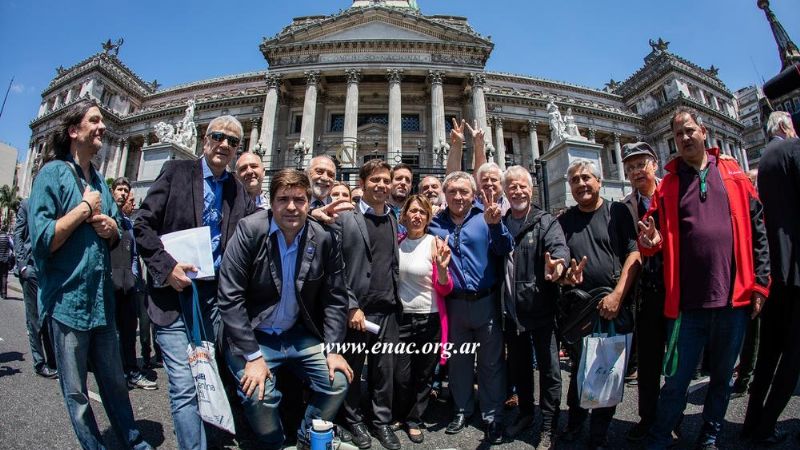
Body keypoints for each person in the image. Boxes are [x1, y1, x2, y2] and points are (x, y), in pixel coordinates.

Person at [639, 107, 770, 450]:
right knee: (676, 381)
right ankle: (660, 436)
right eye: (677, 134)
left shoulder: (734, 174)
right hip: (686, 305)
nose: (684, 137)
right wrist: (650, 242)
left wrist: (761, 283)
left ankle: (709, 435)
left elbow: (759, 231)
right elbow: (651, 237)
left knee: (723, 378)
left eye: (689, 130)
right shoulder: (668, 185)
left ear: (704, 131)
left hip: (733, 299)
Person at [28, 99, 152, 449]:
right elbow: (42, 240)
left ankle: (132, 439)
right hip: (67, 302)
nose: (103, 127)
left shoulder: (98, 178)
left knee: (115, 383)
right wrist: (84, 209)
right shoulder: (51, 174)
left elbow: (115, 230)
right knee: (77, 392)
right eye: (94, 121)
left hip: (101, 303)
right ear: (73, 130)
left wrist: (111, 227)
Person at [135, 114, 254, 450]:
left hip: (212, 301)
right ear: (205, 139)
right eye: (218, 136)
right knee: (184, 385)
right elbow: (142, 225)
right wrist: (166, 267)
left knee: (209, 374)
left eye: (233, 141)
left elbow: (257, 233)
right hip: (173, 297)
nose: (225, 144)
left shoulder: (238, 191)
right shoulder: (176, 172)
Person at [217, 168, 353, 449]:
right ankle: (274, 443)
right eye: (283, 199)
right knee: (259, 394)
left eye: (299, 199)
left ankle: (307, 437)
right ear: (272, 202)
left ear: (308, 202)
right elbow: (230, 297)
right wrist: (253, 356)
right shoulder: (250, 230)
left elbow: (335, 298)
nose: (292, 207)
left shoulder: (323, 237)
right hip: (252, 335)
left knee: (338, 381)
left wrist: (333, 350)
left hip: (295, 333)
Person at [557, 159, 640, 450]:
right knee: (580, 369)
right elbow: (561, 262)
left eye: (586, 178)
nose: (581, 184)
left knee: (608, 370)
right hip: (581, 309)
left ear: (599, 181)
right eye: (575, 180)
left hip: (613, 305)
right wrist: (565, 276)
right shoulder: (565, 220)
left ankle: (599, 435)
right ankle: (575, 423)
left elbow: (634, 254)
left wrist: (617, 295)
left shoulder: (618, 211)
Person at [428, 170, 514, 445]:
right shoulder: (435, 223)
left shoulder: (485, 216)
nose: (458, 196)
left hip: (486, 301)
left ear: (473, 194)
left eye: (464, 191)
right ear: (445, 194)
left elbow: (504, 248)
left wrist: (496, 226)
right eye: (452, 191)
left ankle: (492, 415)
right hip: (454, 304)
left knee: (491, 362)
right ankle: (462, 410)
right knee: (459, 362)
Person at [333, 159, 403, 450]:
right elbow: (336, 266)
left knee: (383, 371)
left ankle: (381, 421)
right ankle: (354, 420)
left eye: (386, 180)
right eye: (375, 180)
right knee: (352, 368)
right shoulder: (345, 219)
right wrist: (351, 305)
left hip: (387, 308)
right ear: (361, 184)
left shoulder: (393, 217)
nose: (382, 185)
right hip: (357, 310)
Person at [500, 166, 568, 449]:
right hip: (511, 311)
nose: (517, 191)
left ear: (531, 189)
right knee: (520, 367)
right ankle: (526, 413)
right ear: (505, 192)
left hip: (541, 308)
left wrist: (558, 266)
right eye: (512, 187)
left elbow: (558, 248)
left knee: (550, 370)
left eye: (522, 186)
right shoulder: (499, 223)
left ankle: (549, 426)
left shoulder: (545, 221)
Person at [743, 110, 800, 446]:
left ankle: (751, 419)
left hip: (774, 267)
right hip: (797, 265)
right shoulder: (794, 148)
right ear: (784, 126)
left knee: (768, 352)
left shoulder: (765, 158)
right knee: (793, 355)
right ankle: (766, 426)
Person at [617, 142, 668, 442]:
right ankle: (648, 419)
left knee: (676, 362)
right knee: (648, 363)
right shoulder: (625, 207)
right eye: (631, 167)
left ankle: (671, 420)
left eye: (641, 164)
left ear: (654, 164)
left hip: (676, 290)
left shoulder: (673, 194)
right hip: (646, 294)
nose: (637, 171)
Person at [392, 194, 453, 444]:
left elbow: (446, 288)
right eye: (413, 211)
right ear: (404, 215)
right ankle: (401, 414)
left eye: (422, 212)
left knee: (424, 374)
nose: (417, 216)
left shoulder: (434, 243)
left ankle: (414, 419)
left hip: (430, 318)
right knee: (401, 374)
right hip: (402, 319)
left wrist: (442, 269)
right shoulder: (397, 242)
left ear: (428, 218)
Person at [111, 177, 157, 390]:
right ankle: (113, 373)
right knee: (112, 333)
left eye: (126, 190)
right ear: (112, 192)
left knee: (129, 331)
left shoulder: (128, 223)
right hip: (110, 284)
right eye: (119, 189)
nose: (122, 194)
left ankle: (130, 371)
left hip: (129, 285)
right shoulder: (106, 218)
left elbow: (134, 255)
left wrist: (135, 278)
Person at [14, 198, 57, 378]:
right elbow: (18, 234)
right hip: (31, 269)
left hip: (48, 270)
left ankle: (53, 361)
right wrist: (22, 266)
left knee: (48, 318)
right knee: (34, 319)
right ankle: (40, 363)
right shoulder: (27, 204)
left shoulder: (53, 204)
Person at [307, 155, 353, 223]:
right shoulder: (293, 201)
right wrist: (310, 213)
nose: (325, 178)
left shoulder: (341, 210)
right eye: (319, 172)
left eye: (331, 175)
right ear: (306, 173)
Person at [0, 226, 12, 298]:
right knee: (4, 276)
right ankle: (4, 293)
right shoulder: (8, 238)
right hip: (5, 259)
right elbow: (12, 246)